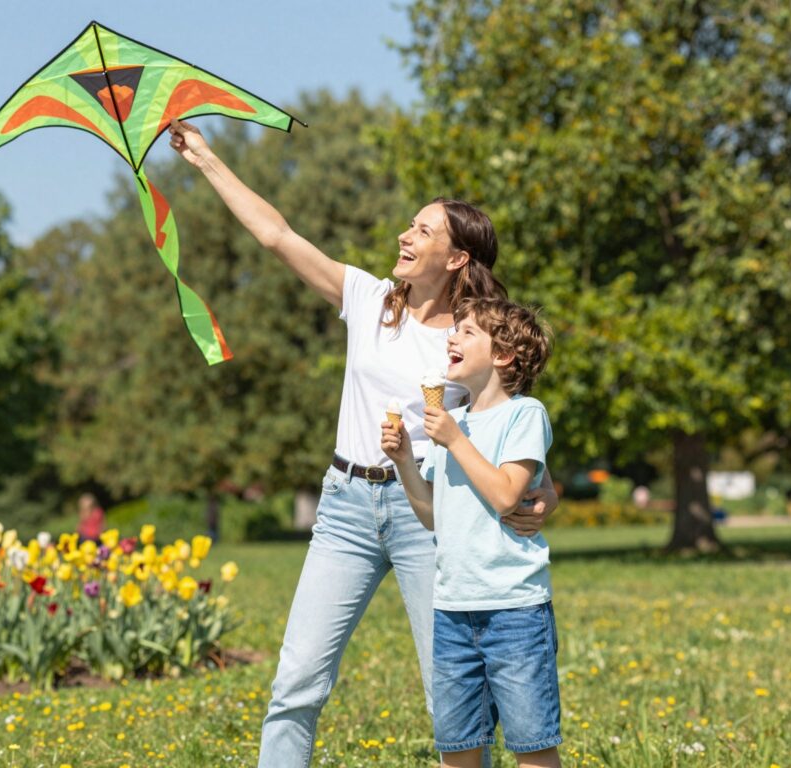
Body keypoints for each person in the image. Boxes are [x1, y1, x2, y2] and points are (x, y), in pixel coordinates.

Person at [168, 118, 558, 768]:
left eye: (423, 230)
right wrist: (205, 158)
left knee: (451, 700)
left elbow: (515, 432)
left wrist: (546, 493)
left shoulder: (473, 339)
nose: (405, 236)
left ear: (457, 256)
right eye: (410, 225)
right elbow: (276, 234)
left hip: (431, 517)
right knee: (297, 682)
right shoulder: (370, 299)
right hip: (346, 506)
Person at [382, 297, 561, 768]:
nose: (451, 337)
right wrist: (404, 460)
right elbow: (432, 516)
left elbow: (506, 496)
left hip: (514, 611)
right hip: (453, 610)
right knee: (457, 747)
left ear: (502, 355)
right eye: (453, 329)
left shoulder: (524, 415)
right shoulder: (451, 423)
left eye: (466, 331)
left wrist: (454, 441)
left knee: (533, 746)